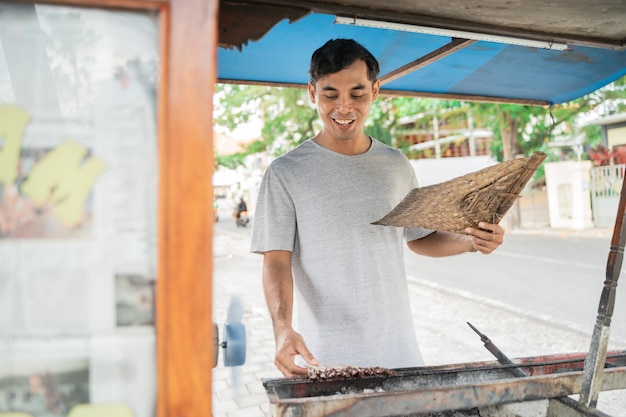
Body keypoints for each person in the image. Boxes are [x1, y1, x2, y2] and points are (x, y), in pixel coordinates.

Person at [250, 38, 504, 377]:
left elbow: (419, 237)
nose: (344, 107)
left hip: (401, 355)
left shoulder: (395, 165)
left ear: (375, 90)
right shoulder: (286, 172)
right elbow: (276, 261)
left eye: (357, 94)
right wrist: (282, 328)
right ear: (312, 93)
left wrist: (472, 241)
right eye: (330, 95)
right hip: (325, 360)